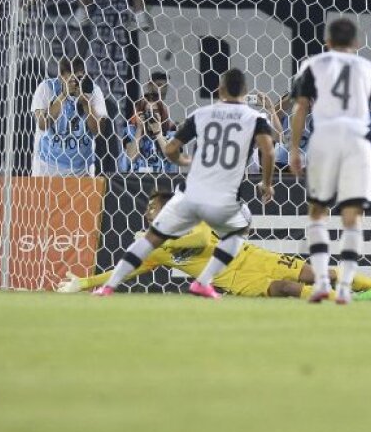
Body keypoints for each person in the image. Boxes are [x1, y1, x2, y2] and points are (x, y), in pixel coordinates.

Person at [94, 69, 276, 298]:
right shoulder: (255, 118)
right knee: (240, 228)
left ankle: (108, 286)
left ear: (219, 90)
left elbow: (170, 149)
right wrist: (267, 184)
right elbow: (268, 151)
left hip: (191, 195)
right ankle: (203, 281)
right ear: (245, 91)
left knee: (151, 238)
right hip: (224, 200)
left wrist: (183, 159)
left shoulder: (201, 114)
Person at [61, 189, 371, 301]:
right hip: (236, 281)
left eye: (159, 209)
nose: (152, 215)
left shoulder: (192, 222)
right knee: (287, 288)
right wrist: (85, 283)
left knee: (315, 270)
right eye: (150, 212)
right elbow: (127, 269)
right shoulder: (151, 246)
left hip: (252, 256)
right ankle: (355, 299)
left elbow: (201, 240)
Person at [288, 18, 371, 304]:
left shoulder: (313, 64)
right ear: (356, 44)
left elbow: (300, 108)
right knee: (352, 216)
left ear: (328, 42)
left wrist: (295, 148)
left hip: (325, 138)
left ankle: (322, 282)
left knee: (317, 211)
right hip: (359, 142)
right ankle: (345, 287)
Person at [30, 58, 108, 177]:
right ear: (61, 77)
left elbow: (99, 131)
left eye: (78, 79)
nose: (75, 83)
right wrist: (64, 95)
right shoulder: (46, 88)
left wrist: (85, 103)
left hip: (82, 170)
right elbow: (43, 124)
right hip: (47, 168)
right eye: (70, 79)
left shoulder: (93, 91)